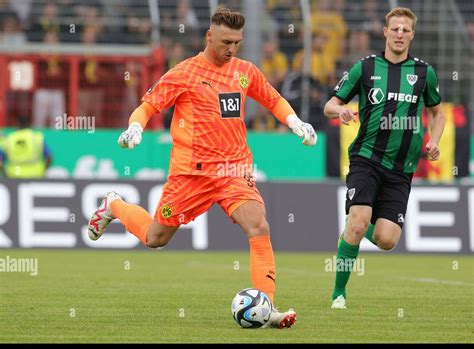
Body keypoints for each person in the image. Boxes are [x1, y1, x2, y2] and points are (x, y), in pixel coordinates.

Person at [87, 7, 316, 328]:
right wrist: (135, 127)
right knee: (155, 238)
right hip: (190, 175)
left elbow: (273, 99)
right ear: (210, 36)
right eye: (225, 42)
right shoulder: (184, 73)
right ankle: (113, 204)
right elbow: (148, 105)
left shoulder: (245, 71)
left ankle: (267, 309)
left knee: (259, 227)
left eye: (236, 42)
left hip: (233, 170)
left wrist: (295, 121)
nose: (231, 48)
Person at [323, 7, 445, 309]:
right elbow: (329, 105)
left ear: (412, 35)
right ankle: (339, 292)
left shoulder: (423, 72)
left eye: (406, 30)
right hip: (367, 157)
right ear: (386, 32)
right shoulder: (365, 68)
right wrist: (342, 110)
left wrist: (435, 140)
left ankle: (355, 228)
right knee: (358, 222)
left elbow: (438, 113)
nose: (400, 34)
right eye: (395, 29)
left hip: (402, 168)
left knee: (388, 239)